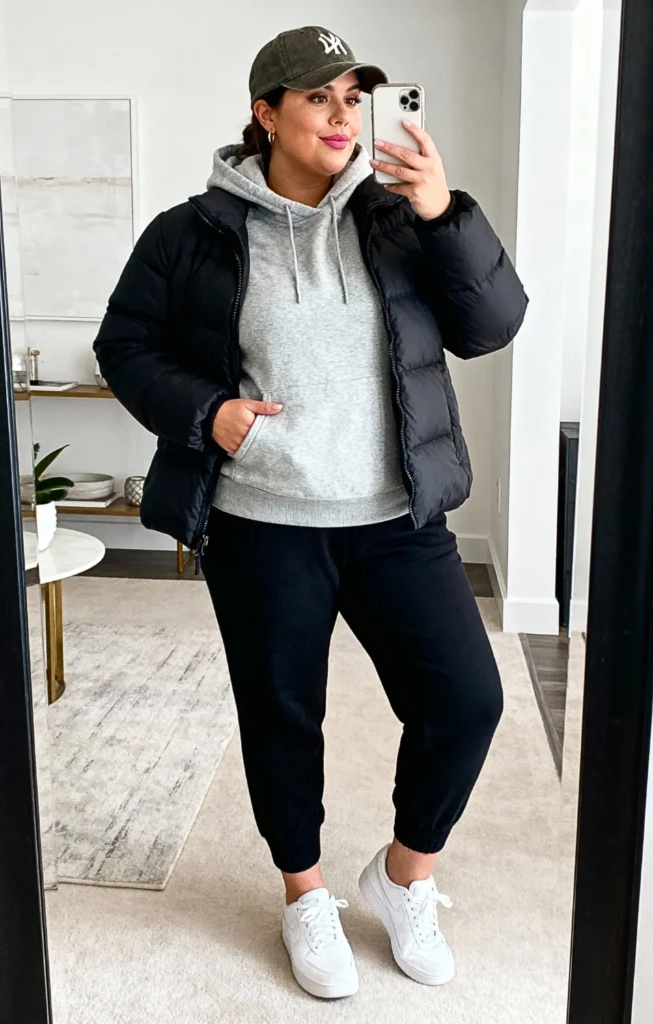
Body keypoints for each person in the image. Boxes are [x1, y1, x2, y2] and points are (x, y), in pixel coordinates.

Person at [93, 24, 529, 1001]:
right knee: (283, 717)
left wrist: (443, 211)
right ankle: (304, 894)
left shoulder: (399, 218)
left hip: (396, 521)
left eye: (352, 99)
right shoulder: (190, 233)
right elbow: (125, 345)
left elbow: (492, 325)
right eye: (317, 98)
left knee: (465, 700)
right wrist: (208, 412)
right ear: (265, 113)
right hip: (260, 525)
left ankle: (403, 876)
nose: (342, 117)